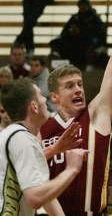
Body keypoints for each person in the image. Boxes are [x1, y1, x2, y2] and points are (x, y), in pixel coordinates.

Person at [40, 0, 112, 215]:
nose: (79, 89)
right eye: (70, 86)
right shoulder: (43, 129)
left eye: (79, 84)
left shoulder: (95, 114)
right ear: (54, 97)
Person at [0, 78, 88, 215]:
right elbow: (36, 197)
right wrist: (72, 169)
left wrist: (54, 149)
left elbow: (42, 192)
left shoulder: (10, 136)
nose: (45, 100)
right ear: (34, 106)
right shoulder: (23, 140)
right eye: (41, 95)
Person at [49, 0, 107, 70]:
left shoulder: (95, 18)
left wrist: (81, 32)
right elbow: (64, 32)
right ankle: (58, 63)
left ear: (89, 6)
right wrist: (70, 32)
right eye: (81, 5)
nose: (83, 7)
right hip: (75, 41)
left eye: (85, 5)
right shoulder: (75, 17)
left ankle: (89, 66)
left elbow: (98, 34)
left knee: (90, 45)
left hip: (88, 41)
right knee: (56, 42)